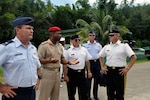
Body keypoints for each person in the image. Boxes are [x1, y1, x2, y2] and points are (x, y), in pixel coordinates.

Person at [0, 16, 41, 100]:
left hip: (31, 92)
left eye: (32, 29)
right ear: (18, 30)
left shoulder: (33, 48)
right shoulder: (7, 48)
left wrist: (38, 79)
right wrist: (1, 88)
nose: (32, 31)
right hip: (14, 94)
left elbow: (38, 66)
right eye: (28, 28)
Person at [37, 26, 78, 100]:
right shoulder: (44, 46)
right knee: (44, 96)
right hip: (47, 72)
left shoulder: (59, 46)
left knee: (55, 96)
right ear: (52, 34)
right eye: (58, 33)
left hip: (57, 73)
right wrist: (49, 61)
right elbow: (39, 60)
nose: (60, 35)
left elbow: (62, 59)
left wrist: (69, 62)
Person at [99, 29, 137, 100]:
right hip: (109, 71)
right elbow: (100, 56)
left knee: (119, 93)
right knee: (110, 93)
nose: (110, 37)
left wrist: (127, 68)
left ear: (117, 36)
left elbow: (134, 57)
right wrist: (102, 67)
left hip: (119, 72)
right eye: (109, 35)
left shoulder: (124, 46)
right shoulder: (107, 47)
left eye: (112, 35)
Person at [63, 34, 92, 100]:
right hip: (72, 73)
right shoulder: (67, 50)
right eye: (76, 40)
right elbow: (64, 63)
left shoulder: (84, 49)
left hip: (81, 73)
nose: (77, 41)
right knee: (71, 92)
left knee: (83, 92)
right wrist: (65, 75)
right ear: (71, 41)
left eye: (79, 40)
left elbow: (87, 60)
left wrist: (89, 71)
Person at [83, 30, 102, 100]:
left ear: (95, 36)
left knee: (96, 80)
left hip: (97, 63)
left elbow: (101, 55)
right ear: (88, 36)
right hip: (89, 63)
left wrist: (101, 65)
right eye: (90, 35)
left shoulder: (98, 45)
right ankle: (88, 96)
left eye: (93, 35)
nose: (92, 37)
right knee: (88, 80)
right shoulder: (85, 45)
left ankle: (95, 95)